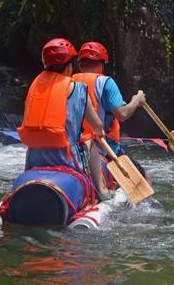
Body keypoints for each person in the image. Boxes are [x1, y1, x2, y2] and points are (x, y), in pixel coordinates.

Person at [17, 38, 112, 199]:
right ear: (69, 66)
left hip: (34, 157)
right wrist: (100, 131)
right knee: (90, 142)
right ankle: (102, 192)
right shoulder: (79, 90)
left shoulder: (35, 86)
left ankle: (26, 176)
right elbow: (97, 125)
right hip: (66, 158)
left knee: (33, 144)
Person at [72, 41, 148, 179]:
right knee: (144, 177)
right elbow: (122, 114)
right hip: (103, 147)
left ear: (80, 64)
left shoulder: (69, 82)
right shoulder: (105, 82)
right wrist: (137, 101)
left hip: (74, 147)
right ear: (101, 65)